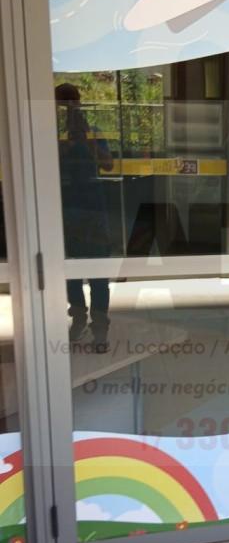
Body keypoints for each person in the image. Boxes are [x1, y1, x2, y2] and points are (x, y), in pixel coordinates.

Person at [55, 83, 113, 352]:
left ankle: (99, 327)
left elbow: (108, 164)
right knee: (71, 270)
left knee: (98, 270)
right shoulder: (51, 133)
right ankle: (79, 319)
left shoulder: (93, 131)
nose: (70, 108)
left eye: (73, 102)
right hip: (66, 207)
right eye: (64, 103)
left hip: (92, 208)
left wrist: (88, 142)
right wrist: (65, 146)